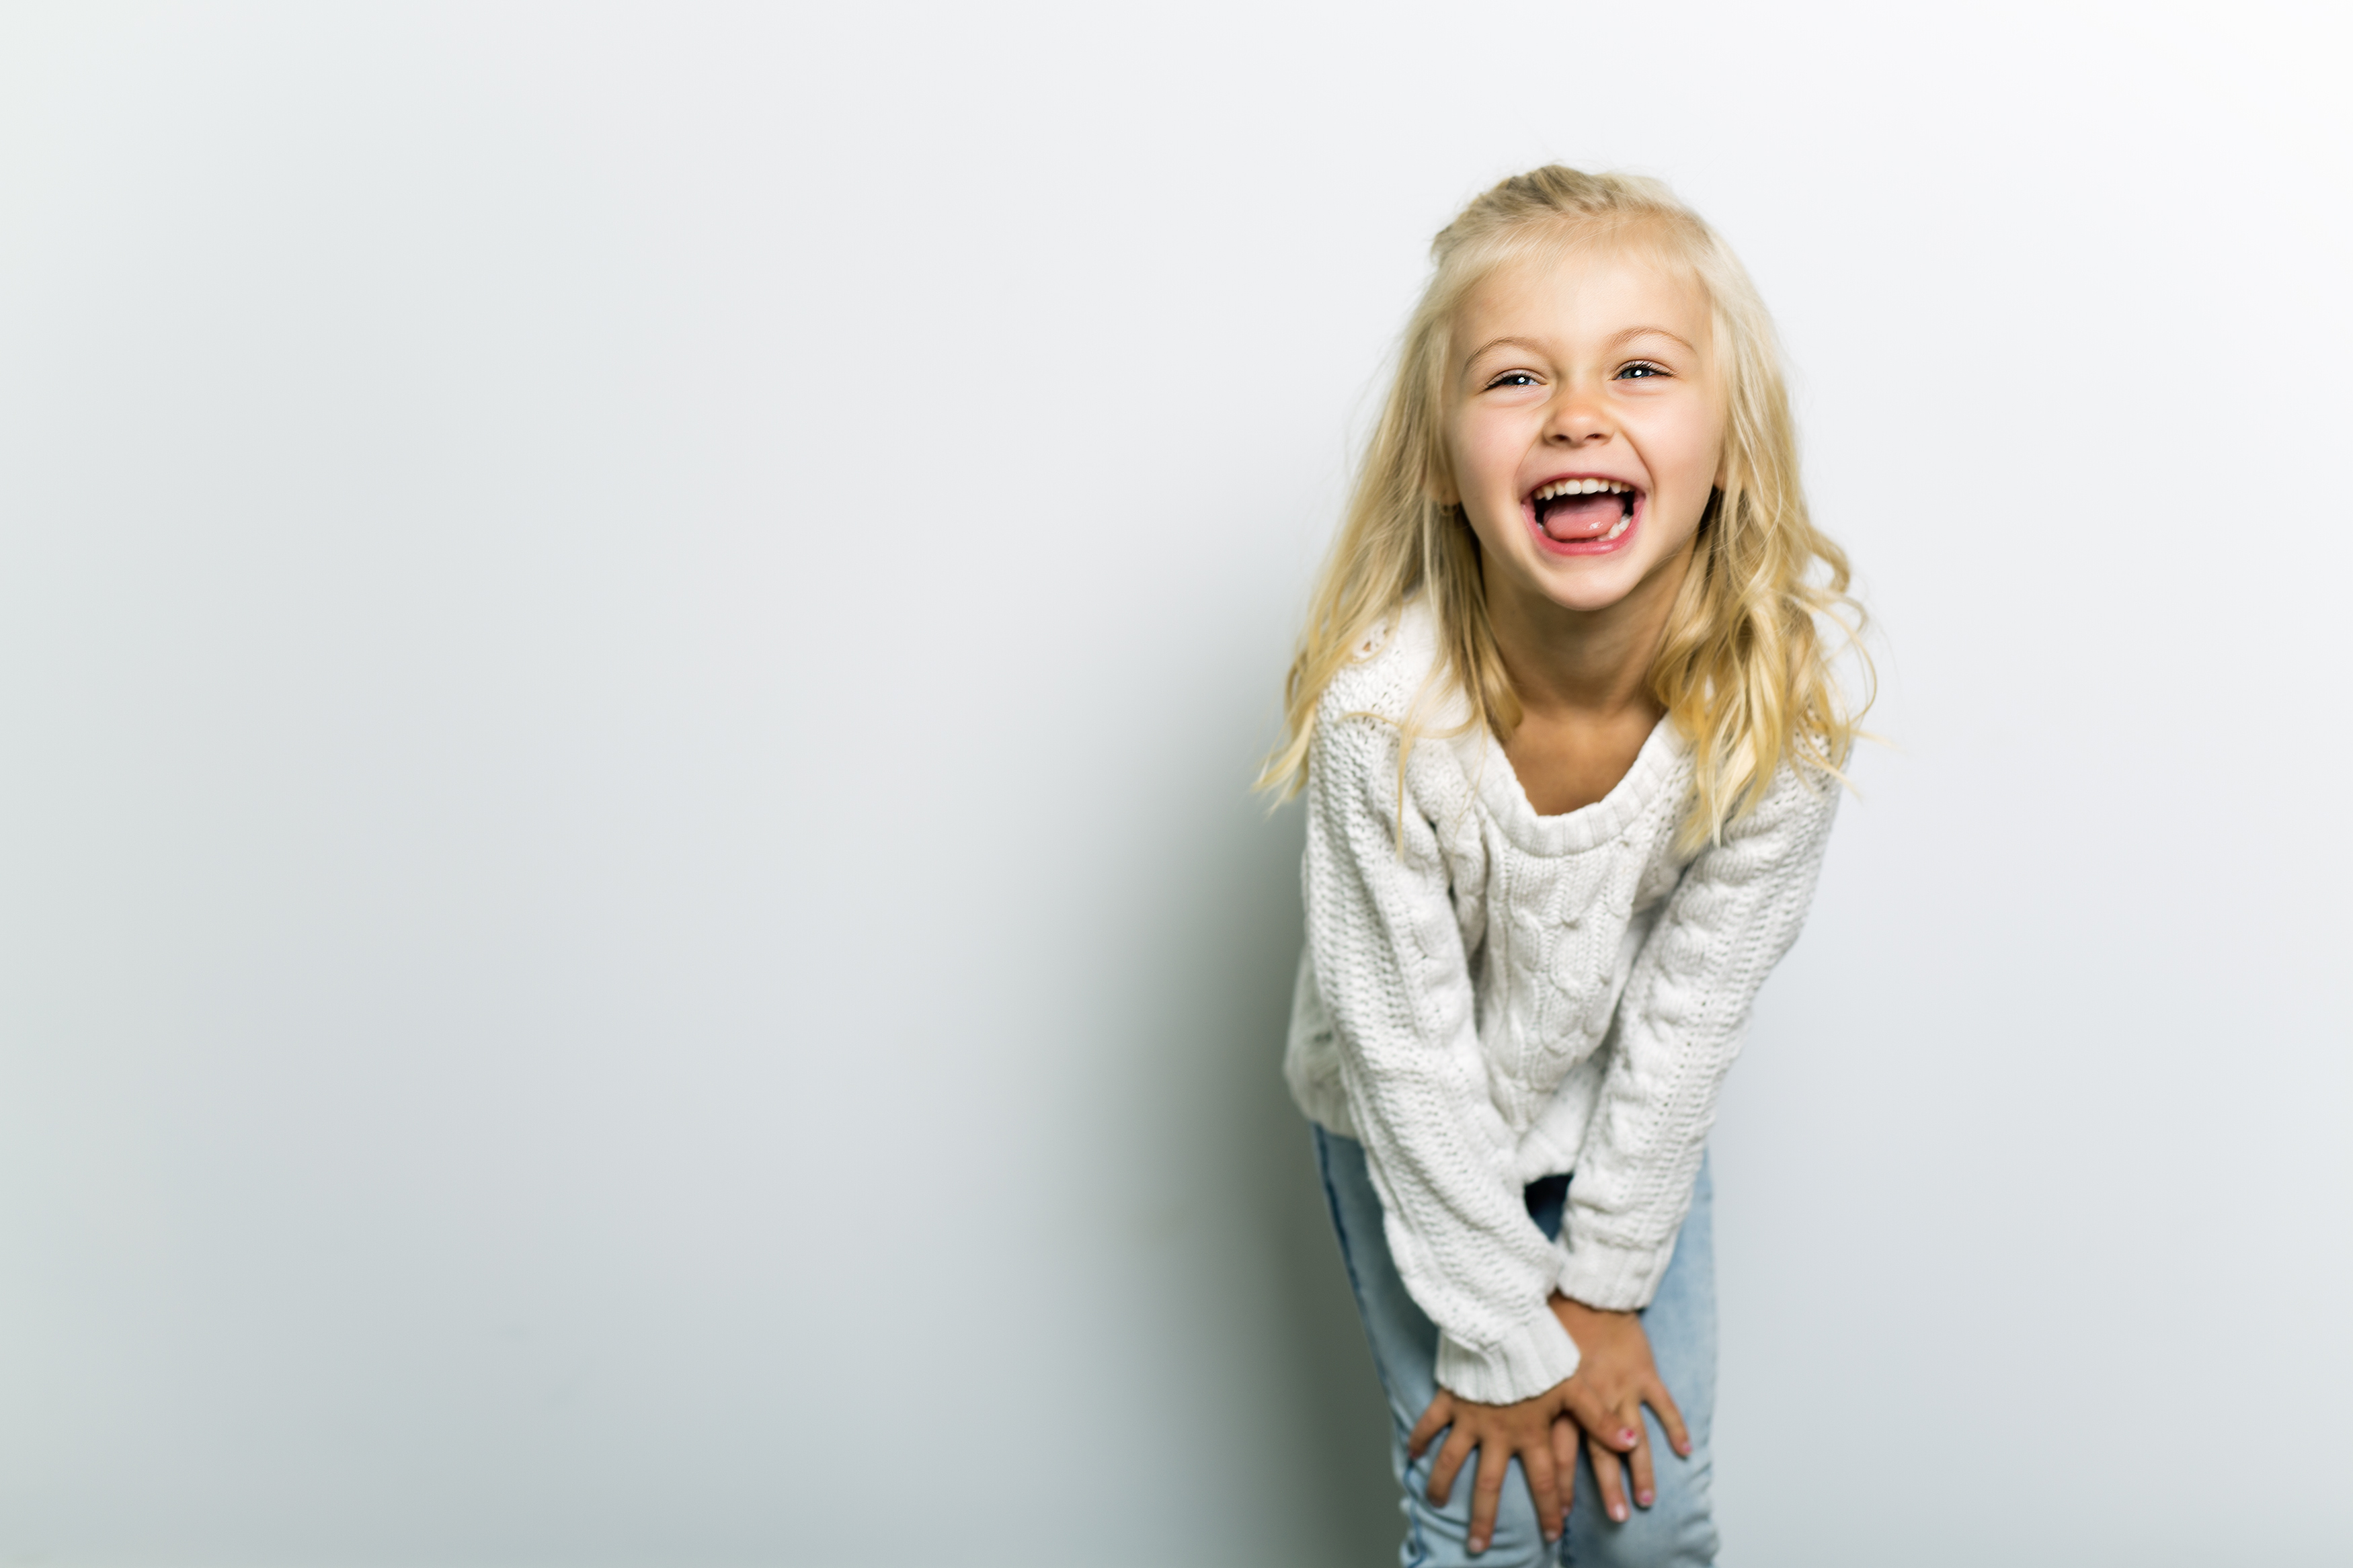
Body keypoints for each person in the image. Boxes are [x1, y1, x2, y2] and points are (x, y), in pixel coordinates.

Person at [1258, 166, 1868, 1566]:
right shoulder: (1382, 720)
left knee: (1647, 1523)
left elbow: (1693, 1011)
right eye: (1516, 379)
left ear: (1732, 443)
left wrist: (1601, 1289)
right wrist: (1498, 1331)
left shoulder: (1777, 710)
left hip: (1614, 1115)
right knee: (1489, 1520)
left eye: (1640, 369)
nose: (1577, 415)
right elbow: (1404, 1053)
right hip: (1405, 1121)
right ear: (1435, 457)